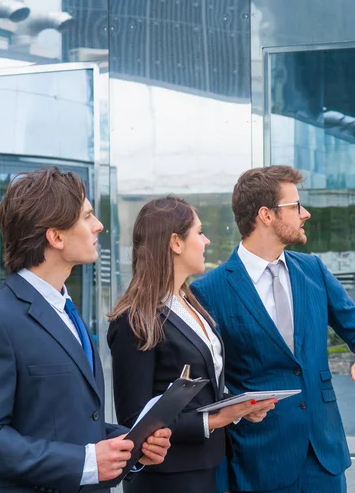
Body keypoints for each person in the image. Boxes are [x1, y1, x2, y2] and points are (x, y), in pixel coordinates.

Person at [0, 167, 171, 493]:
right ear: (55, 237)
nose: (98, 226)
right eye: (87, 216)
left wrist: (128, 445)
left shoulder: (65, 310)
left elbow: (69, 421)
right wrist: (86, 462)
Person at [191, 166, 355, 493]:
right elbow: (210, 382)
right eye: (296, 206)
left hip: (324, 457)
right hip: (259, 461)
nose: (306, 214)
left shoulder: (313, 270)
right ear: (266, 215)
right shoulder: (210, 290)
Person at [107, 195, 275, 493]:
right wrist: (216, 419)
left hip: (208, 465)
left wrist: (239, 406)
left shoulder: (191, 302)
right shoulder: (135, 319)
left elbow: (206, 386)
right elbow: (135, 422)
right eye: (199, 232)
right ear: (176, 243)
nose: (207, 240)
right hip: (166, 477)